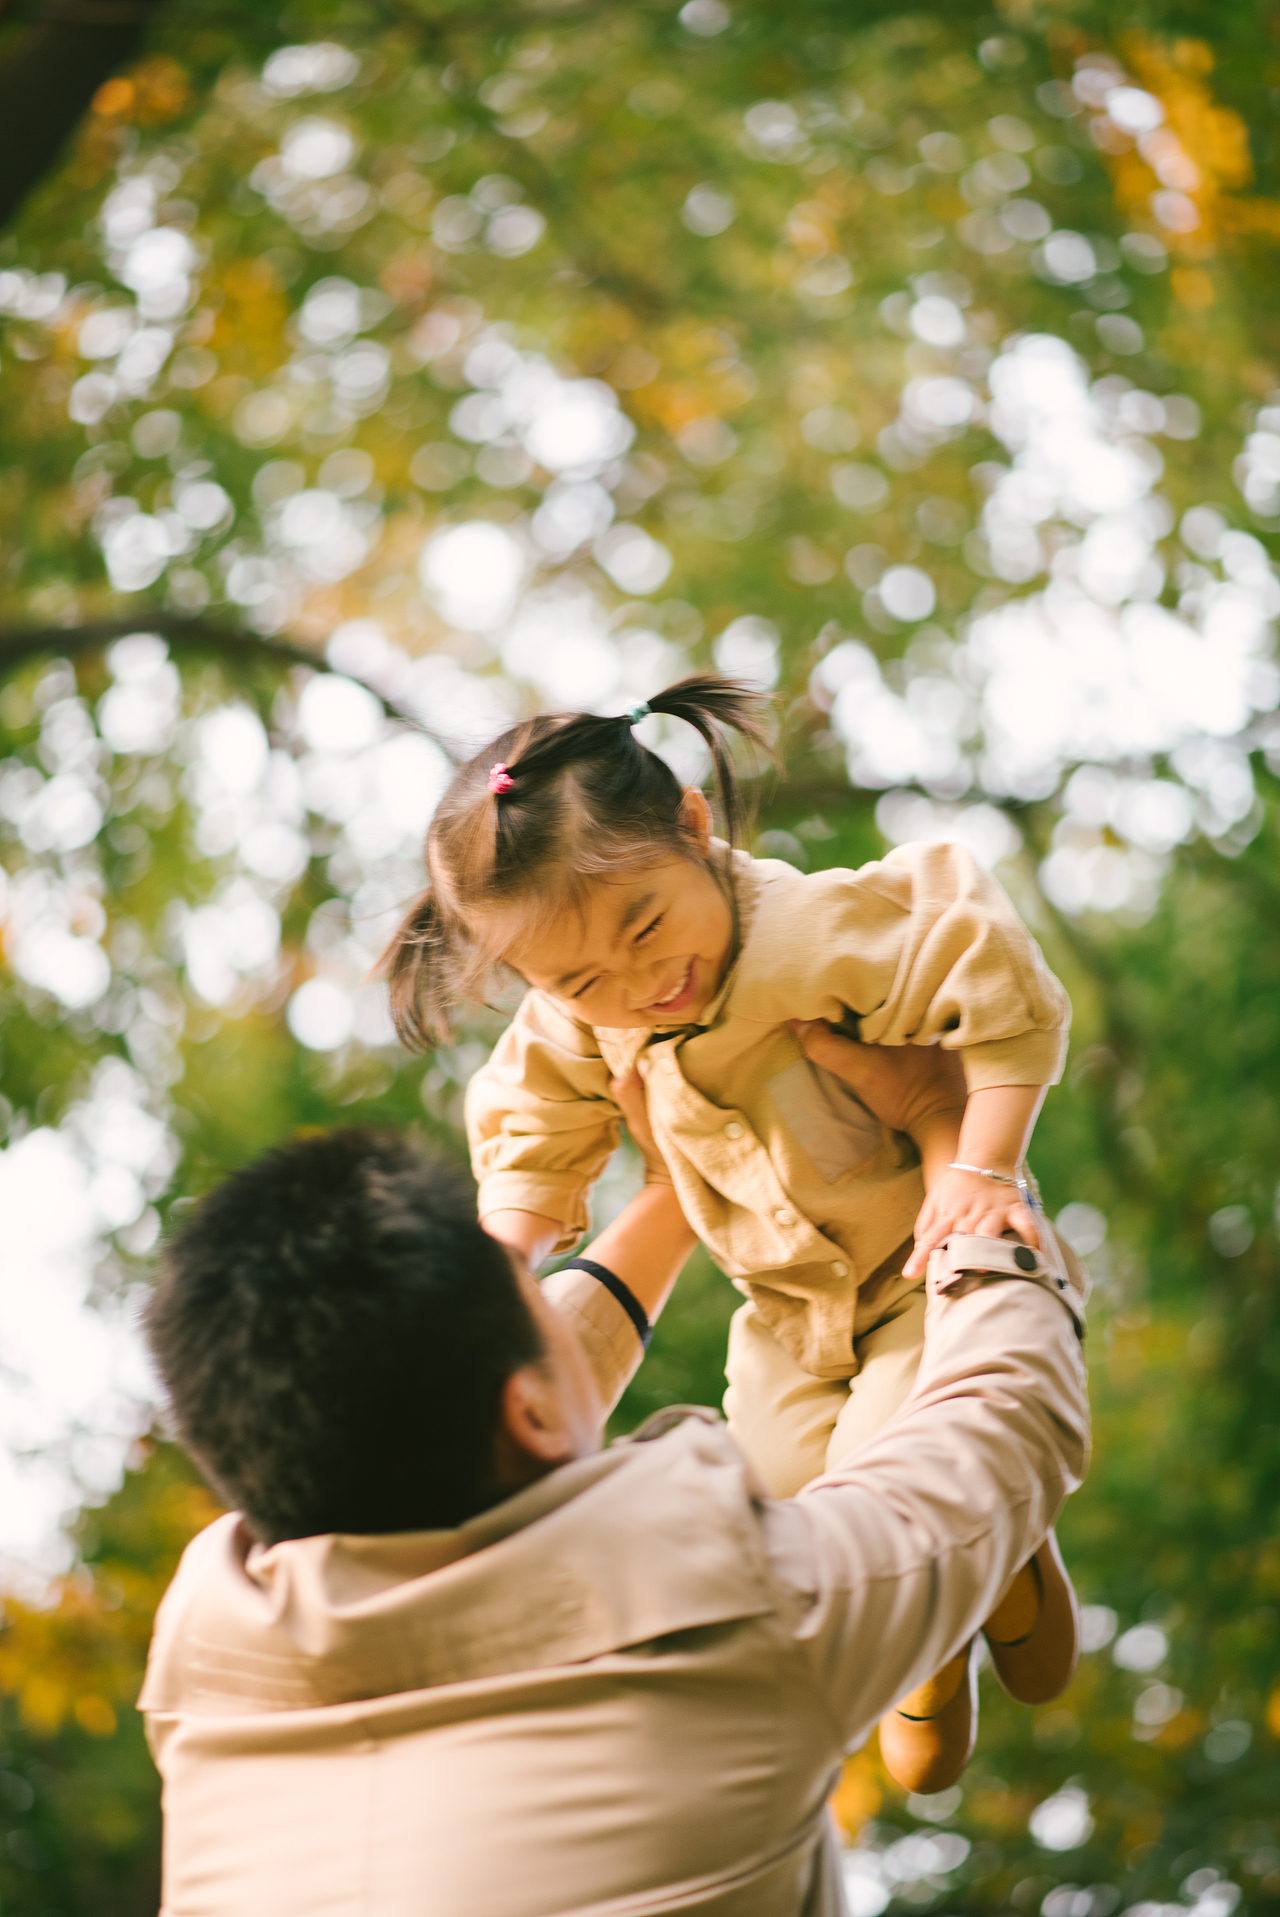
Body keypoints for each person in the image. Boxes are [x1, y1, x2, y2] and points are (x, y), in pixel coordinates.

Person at [140, 1039, 1090, 1917]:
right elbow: (1006, 1422)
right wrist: (953, 1139)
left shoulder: (202, 1664)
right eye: (535, 1298)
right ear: (529, 1410)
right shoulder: (731, 1617)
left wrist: (677, 1191)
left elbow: (449, 1411)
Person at [380, 674, 1080, 1786]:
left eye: (645, 924)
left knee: (880, 1492)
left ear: (696, 829)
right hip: (786, 1321)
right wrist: (500, 1268)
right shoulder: (578, 1020)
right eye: (576, 976)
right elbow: (532, 1133)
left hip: (923, 1273)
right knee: (768, 1514)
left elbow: (988, 982)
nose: (640, 982)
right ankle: (995, 1566)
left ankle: (932, 1638)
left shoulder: (811, 934)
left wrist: (985, 1168)